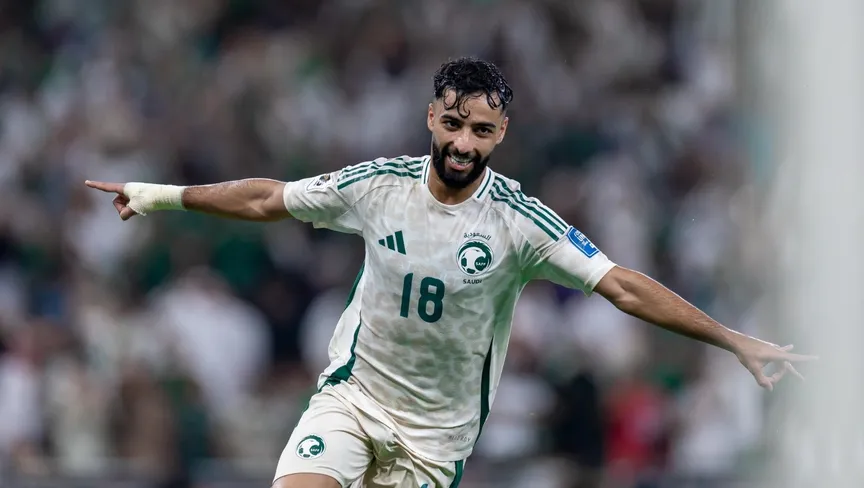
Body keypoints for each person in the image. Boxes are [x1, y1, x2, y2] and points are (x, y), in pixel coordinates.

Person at [86, 57, 815, 488]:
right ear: (432, 117)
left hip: (435, 439)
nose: (465, 143)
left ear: (502, 134)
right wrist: (158, 195)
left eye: (482, 131)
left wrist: (732, 340)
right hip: (354, 397)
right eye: (455, 124)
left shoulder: (520, 223)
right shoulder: (378, 185)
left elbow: (621, 284)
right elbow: (268, 199)